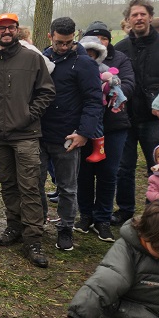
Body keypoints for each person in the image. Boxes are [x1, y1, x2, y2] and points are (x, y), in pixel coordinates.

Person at [0, 13, 56, 268]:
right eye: (1, 28)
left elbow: (47, 91)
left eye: (10, 28)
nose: (6, 32)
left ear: (17, 30)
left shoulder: (32, 59)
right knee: (8, 184)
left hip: (26, 136)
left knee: (30, 186)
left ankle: (33, 238)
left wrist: (28, 116)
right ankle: (14, 227)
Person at [113, 0, 159, 226]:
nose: (139, 18)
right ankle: (124, 210)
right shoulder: (120, 49)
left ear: (150, 17)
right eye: (134, 15)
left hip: (157, 120)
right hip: (127, 118)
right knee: (124, 168)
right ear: (128, 20)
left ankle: (157, 212)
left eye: (143, 14)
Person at [38, 17, 104, 252]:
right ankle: (37, 223)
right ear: (50, 36)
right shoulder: (42, 59)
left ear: (74, 37)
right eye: (59, 43)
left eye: (68, 42)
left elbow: (94, 101)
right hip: (39, 134)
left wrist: (83, 133)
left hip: (68, 136)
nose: (63, 47)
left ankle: (66, 227)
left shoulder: (85, 64)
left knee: (67, 187)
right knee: (35, 184)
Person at [75, 22, 135, 243]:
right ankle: (85, 216)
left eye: (104, 38)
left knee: (109, 173)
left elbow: (128, 84)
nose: (99, 42)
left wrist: (110, 91)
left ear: (109, 41)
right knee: (84, 173)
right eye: (94, 37)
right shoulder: (80, 59)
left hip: (114, 125)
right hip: (84, 126)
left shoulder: (120, 60)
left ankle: (103, 218)